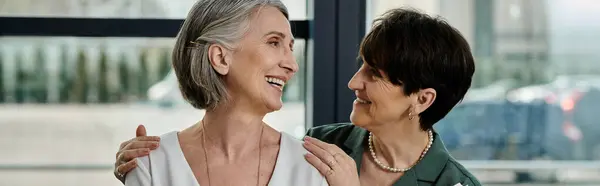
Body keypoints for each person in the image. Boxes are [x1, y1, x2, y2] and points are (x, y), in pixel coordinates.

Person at [115, 7, 481, 186]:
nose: (354, 82)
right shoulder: (320, 149)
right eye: (275, 43)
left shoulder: (456, 184)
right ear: (220, 56)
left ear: (422, 99)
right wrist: (147, 166)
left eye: (375, 75)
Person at [117, 0, 328, 185]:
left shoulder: (311, 167)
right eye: (274, 42)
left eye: (290, 47)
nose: (292, 65)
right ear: (220, 58)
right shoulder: (152, 166)